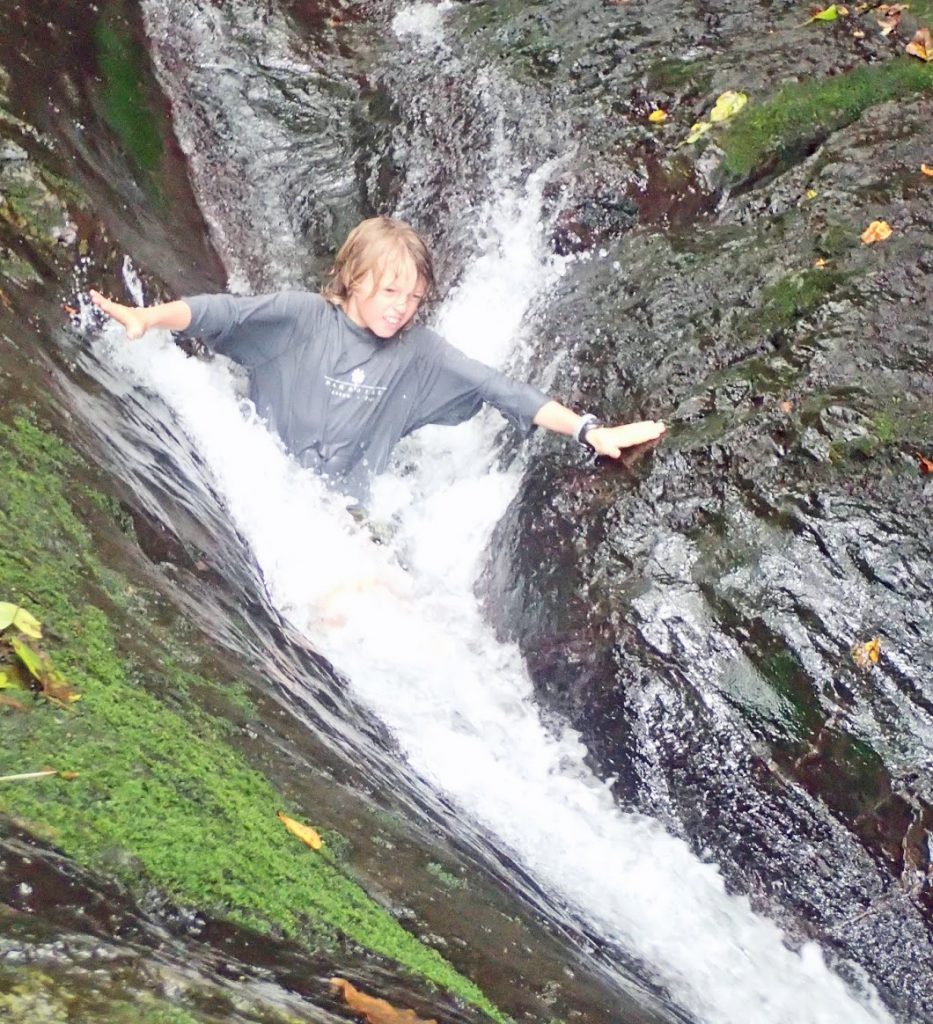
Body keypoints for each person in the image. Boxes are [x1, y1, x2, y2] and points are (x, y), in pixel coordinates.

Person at [90, 216, 665, 504]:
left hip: (338, 513)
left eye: (413, 298)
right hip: (260, 486)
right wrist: (148, 318)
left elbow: (501, 388)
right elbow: (219, 314)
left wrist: (591, 431)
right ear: (353, 278)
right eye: (389, 292)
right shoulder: (300, 317)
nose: (401, 308)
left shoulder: (420, 354)